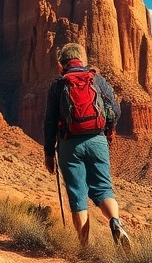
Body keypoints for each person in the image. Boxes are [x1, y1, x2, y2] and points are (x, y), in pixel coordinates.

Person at [43, 42, 132, 249]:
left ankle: (84, 247)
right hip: (97, 140)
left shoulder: (57, 85)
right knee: (103, 189)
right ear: (82, 61)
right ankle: (115, 221)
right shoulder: (97, 80)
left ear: (61, 64)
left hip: (68, 145)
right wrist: (108, 130)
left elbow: (49, 121)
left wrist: (49, 152)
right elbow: (115, 110)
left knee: (77, 193)